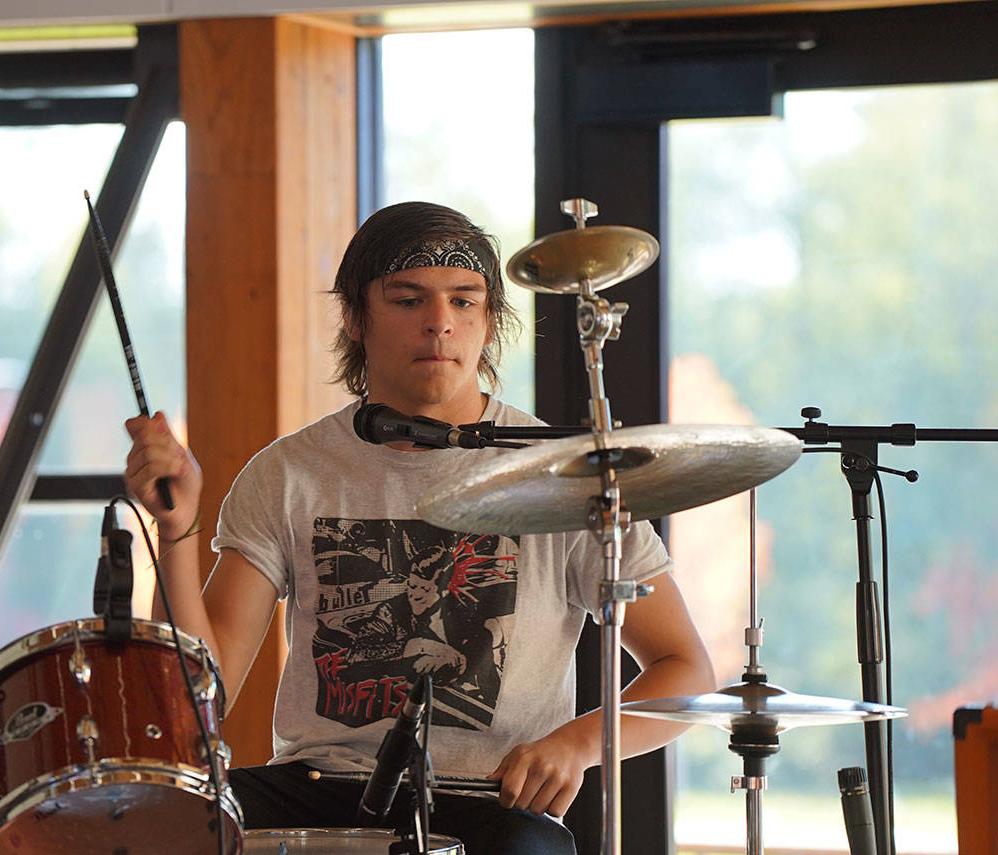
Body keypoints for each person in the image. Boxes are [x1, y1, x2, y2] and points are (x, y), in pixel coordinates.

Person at [124, 201, 715, 855]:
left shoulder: (567, 473)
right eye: (408, 301)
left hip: (490, 800)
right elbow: (197, 696)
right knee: (172, 822)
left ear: (489, 321)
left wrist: (577, 743)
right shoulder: (288, 472)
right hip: (321, 786)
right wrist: (175, 532)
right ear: (355, 318)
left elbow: (685, 667)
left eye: (464, 301)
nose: (440, 322)